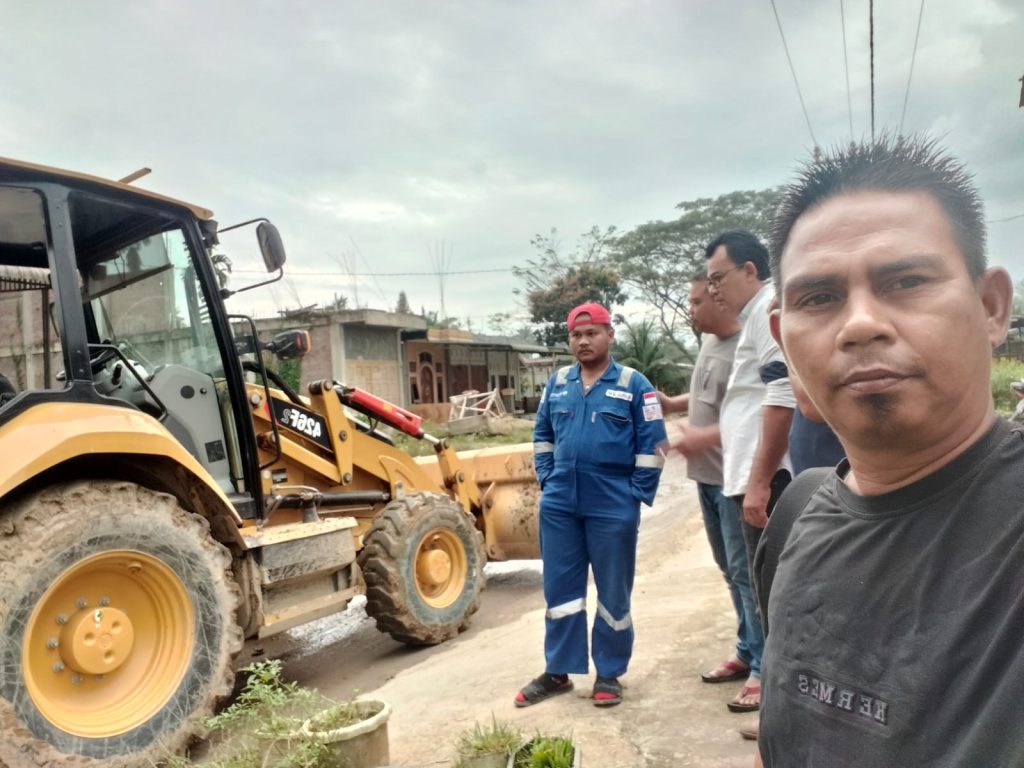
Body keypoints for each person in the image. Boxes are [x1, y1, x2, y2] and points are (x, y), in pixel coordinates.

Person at [757, 135, 1020, 766]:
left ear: (990, 308)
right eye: (819, 298)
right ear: (784, 342)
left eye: (906, 281)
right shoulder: (795, 517)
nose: (860, 325)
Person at [516, 302, 667, 708]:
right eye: (576, 335)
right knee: (560, 590)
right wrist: (548, 478)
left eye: (592, 333)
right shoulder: (557, 383)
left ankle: (609, 673)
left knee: (613, 590)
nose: (583, 341)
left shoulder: (635, 384)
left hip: (612, 501)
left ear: (609, 335)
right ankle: (558, 671)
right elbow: (542, 434)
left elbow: (654, 443)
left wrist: (634, 493)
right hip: (560, 501)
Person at [702, 230, 796, 713]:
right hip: (746, 479)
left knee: (772, 594)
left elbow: (783, 393)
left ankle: (779, 700)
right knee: (760, 588)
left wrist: (760, 483)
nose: (712, 289)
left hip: (766, 481)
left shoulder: (767, 311)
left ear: (750, 270)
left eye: (718, 278)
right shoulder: (757, 315)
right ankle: (777, 693)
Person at [660, 276, 766, 699]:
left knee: (746, 575)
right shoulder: (709, 342)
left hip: (732, 481)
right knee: (728, 570)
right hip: (705, 478)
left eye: (697, 301)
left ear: (720, 302)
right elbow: (707, 393)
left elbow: (756, 410)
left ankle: (763, 667)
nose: (691, 310)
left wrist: (702, 438)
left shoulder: (746, 347)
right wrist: (673, 404)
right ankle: (746, 649)